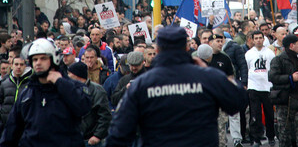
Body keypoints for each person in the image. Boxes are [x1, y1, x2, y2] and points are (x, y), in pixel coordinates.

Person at [105, 26, 248, 146]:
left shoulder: (142, 84)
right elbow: (238, 100)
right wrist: (215, 75)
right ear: (186, 47)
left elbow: (118, 134)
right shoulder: (207, 77)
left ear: (158, 50)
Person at [0, 38, 91, 146]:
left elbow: (83, 107)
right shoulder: (27, 94)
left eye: (43, 58)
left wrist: (60, 83)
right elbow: (11, 130)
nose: (38, 63)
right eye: (35, 59)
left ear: (53, 59)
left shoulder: (71, 86)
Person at [269, 35, 298, 147]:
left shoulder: (297, 59)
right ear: (291, 46)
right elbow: (272, 77)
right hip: (284, 102)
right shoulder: (278, 60)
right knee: (284, 135)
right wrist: (290, 78)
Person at [67, 62, 112, 147]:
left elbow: (105, 115)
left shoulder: (97, 91)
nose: (67, 76)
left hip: (91, 141)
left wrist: (97, 136)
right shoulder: (70, 90)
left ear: (77, 75)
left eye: (69, 73)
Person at [244, 31, 276, 147]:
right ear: (252, 40)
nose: (258, 40)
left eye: (260, 38)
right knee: (255, 115)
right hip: (253, 86)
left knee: (269, 114)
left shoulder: (269, 53)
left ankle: (271, 136)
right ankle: (255, 139)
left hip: (267, 87)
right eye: (256, 38)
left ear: (263, 39)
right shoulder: (248, 54)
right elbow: (247, 69)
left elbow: (273, 68)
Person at [0, 55, 32, 127]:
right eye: (16, 64)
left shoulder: (30, 85)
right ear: (11, 66)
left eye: (21, 64)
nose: (18, 67)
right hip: (7, 124)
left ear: (25, 66)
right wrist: (1, 113)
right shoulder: (5, 83)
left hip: (24, 126)